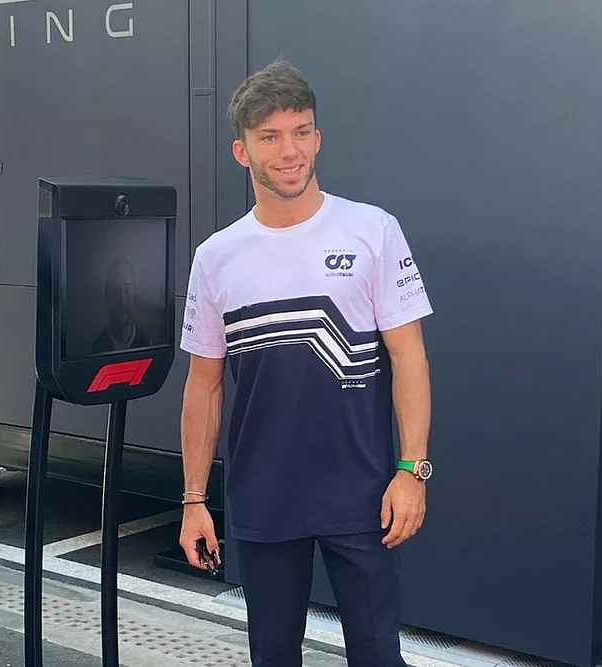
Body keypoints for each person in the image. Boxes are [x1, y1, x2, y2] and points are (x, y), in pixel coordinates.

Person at [178, 59, 433, 667]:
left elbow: (409, 357)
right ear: (242, 151)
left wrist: (412, 471)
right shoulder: (216, 257)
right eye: (270, 137)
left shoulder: (372, 231)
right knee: (272, 656)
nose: (289, 151)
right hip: (263, 498)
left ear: (317, 138)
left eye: (301, 131)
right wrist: (193, 499)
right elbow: (204, 386)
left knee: (377, 656)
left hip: (364, 492)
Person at [91, 256, 153, 353]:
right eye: (116, 291)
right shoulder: (97, 349)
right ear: (107, 295)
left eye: (127, 290)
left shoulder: (148, 344)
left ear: (134, 293)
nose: (122, 301)